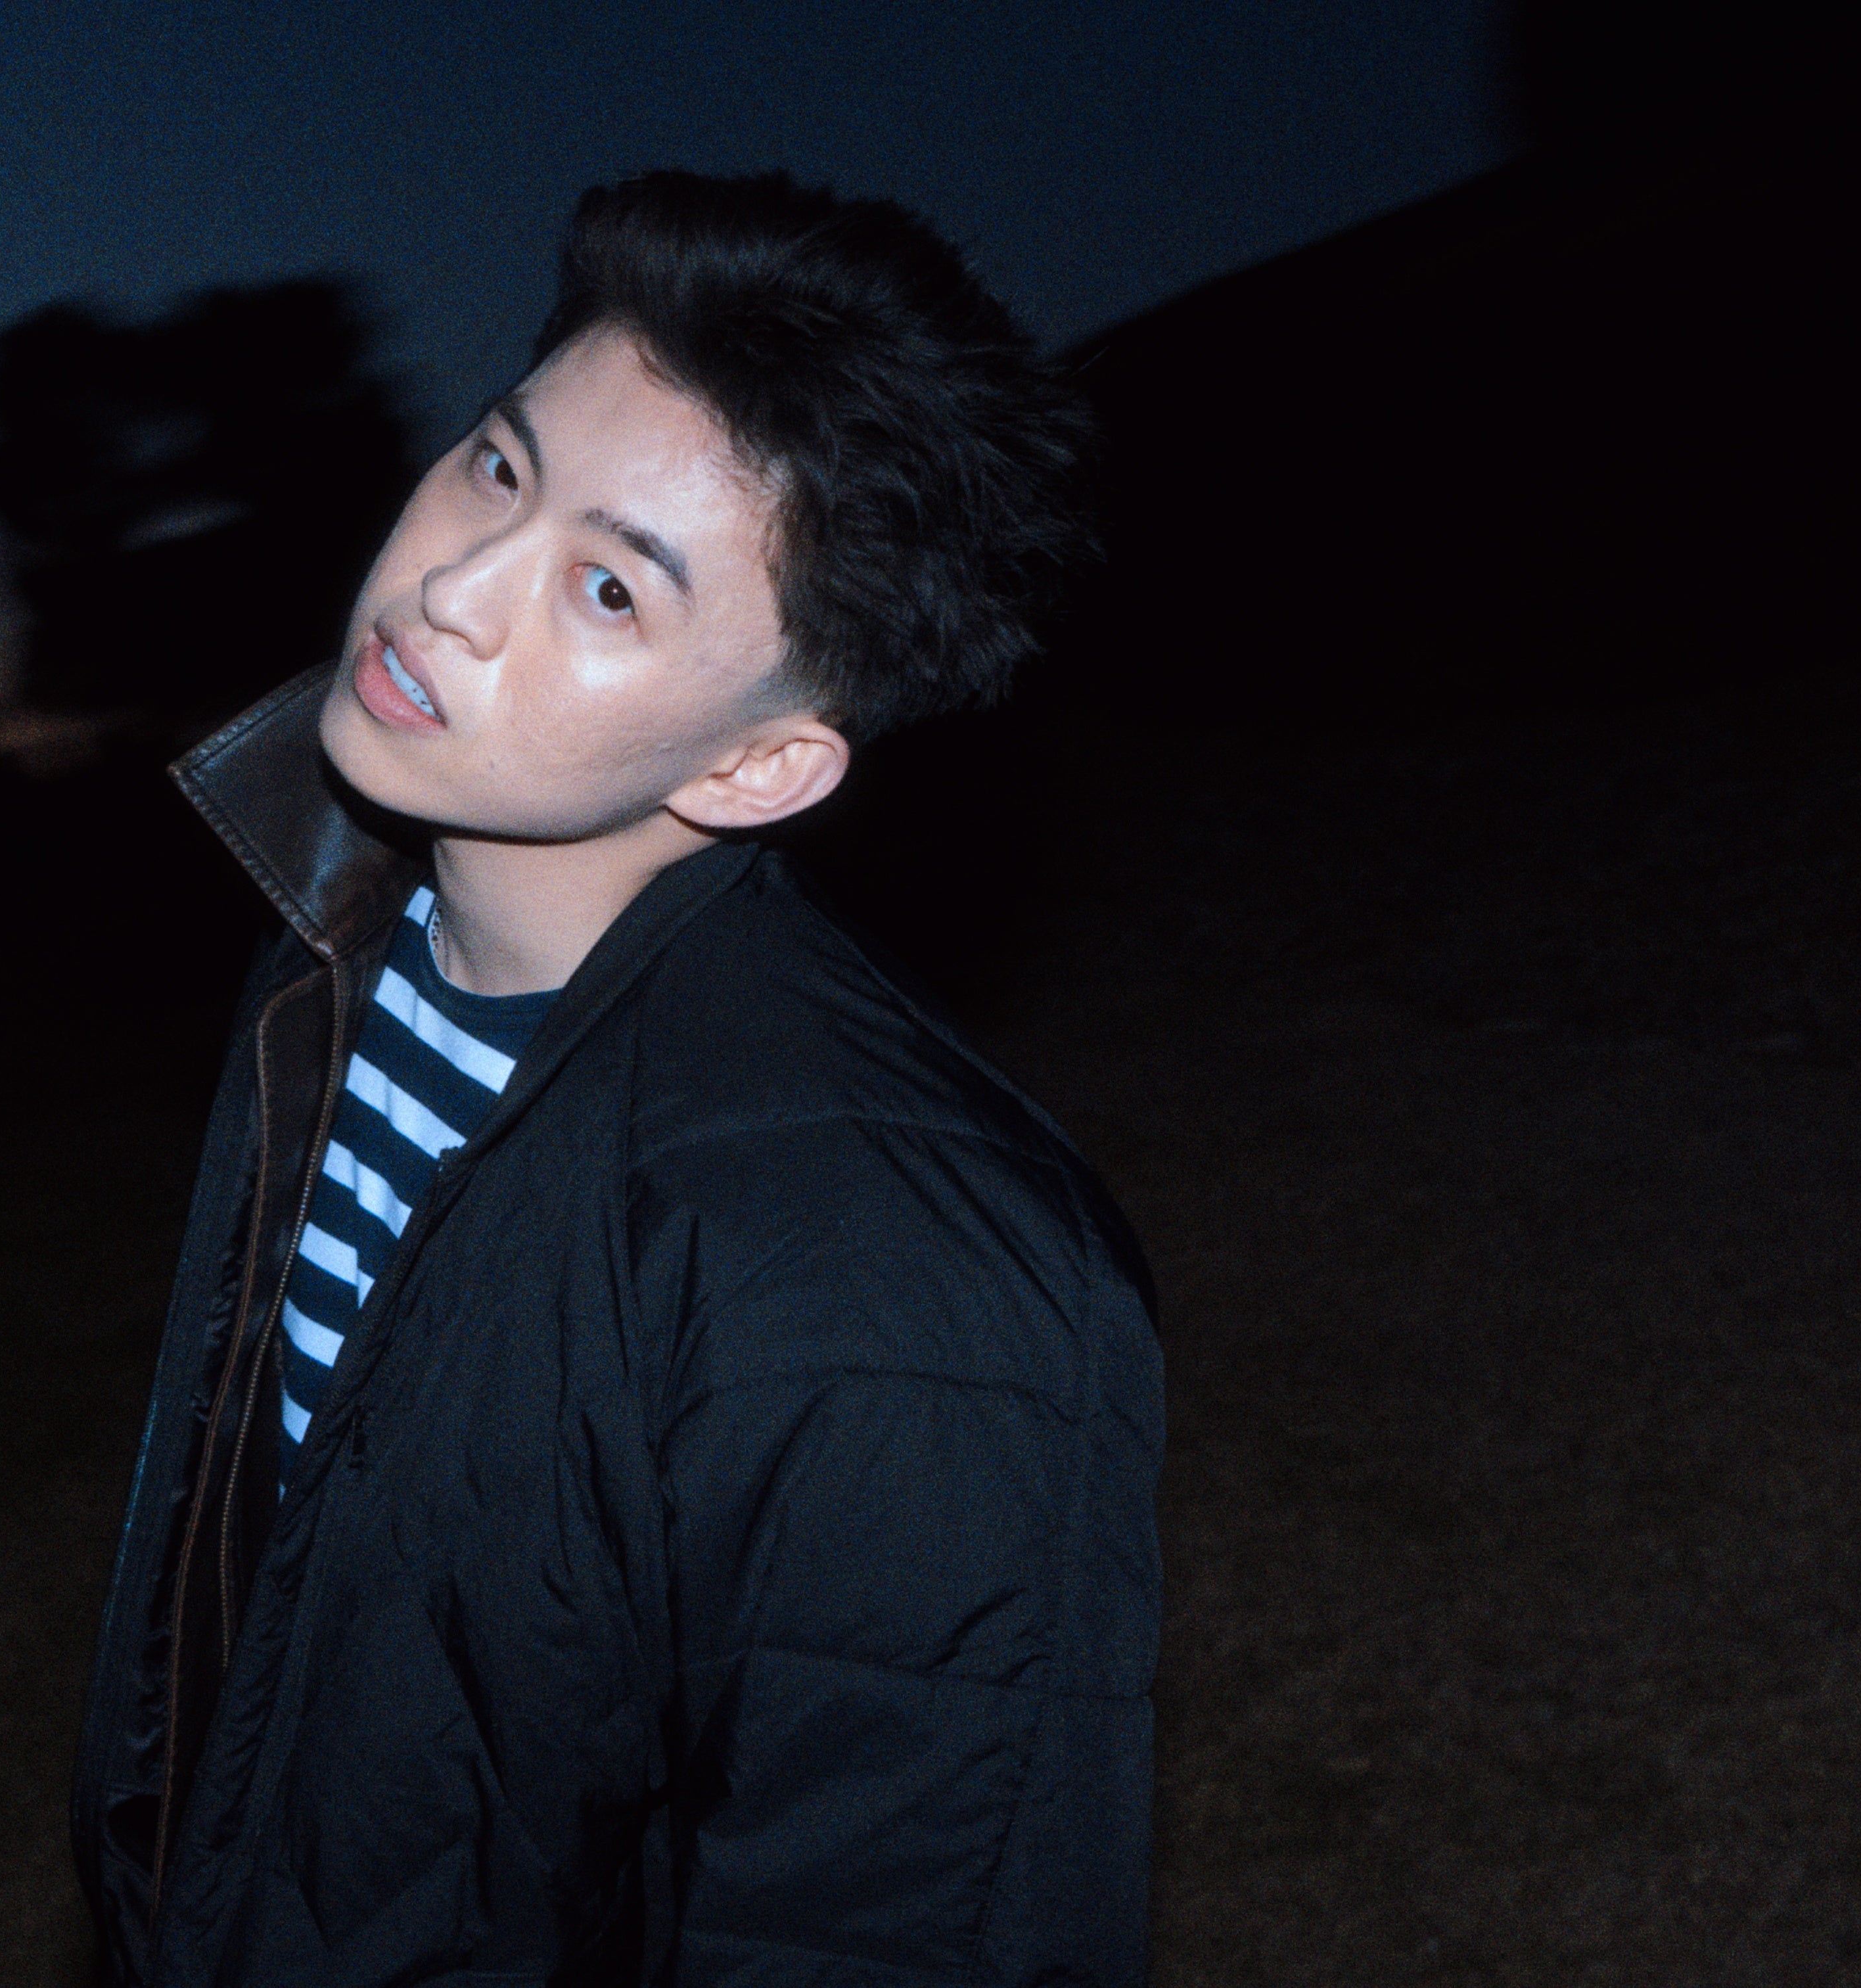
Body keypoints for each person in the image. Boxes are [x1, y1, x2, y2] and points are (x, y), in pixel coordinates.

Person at [71, 170, 1162, 1986]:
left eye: (604, 587)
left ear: (757, 768)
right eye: (497, 468)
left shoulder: (902, 1286)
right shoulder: (336, 961)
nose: (450, 588)